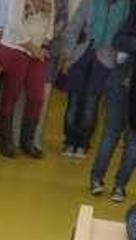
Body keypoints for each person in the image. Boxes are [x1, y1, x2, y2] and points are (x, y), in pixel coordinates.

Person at [60, 0, 131, 159]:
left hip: (106, 59)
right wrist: (67, 56)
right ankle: (69, 141)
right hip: (80, 55)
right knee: (74, 101)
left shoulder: (126, 6)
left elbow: (125, 35)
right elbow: (74, 27)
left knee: (91, 103)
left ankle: (83, 143)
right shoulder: (90, 2)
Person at [90, 0, 136, 202]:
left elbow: (120, 39)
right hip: (120, 82)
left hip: (122, 79)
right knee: (113, 132)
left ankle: (118, 185)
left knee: (130, 139)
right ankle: (99, 180)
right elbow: (118, 39)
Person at [0, 0, 55, 158]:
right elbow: (15, 23)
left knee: (37, 98)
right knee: (11, 95)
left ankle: (27, 141)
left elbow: (50, 23)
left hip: (37, 51)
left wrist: (44, 45)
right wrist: (32, 48)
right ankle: (5, 141)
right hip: (15, 48)